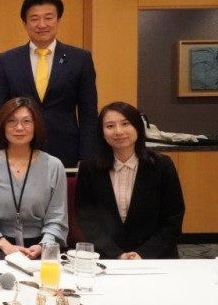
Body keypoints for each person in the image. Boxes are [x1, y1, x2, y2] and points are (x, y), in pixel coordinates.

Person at [0, 0, 97, 167]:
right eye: (34, 18)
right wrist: (0, 154)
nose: (42, 24)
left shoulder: (80, 59)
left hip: (67, 150)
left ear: (58, 20)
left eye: (48, 17)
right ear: (25, 23)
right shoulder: (7, 60)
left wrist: (87, 159)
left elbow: (88, 113)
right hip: (19, 150)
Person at [76, 102, 184, 259]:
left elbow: (173, 219)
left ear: (138, 127)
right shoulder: (90, 168)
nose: (119, 131)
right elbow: (87, 220)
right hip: (107, 256)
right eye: (110, 126)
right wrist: (117, 254)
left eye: (125, 124)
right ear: (102, 133)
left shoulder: (162, 165)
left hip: (156, 256)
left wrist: (143, 254)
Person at [0, 97, 68, 260]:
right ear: (2, 125)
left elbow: (56, 217)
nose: (19, 128)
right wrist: (5, 245)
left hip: (42, 243)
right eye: (11, 121)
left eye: (26, 122)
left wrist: (43, 246)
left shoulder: (54, 166)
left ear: (36, 125)